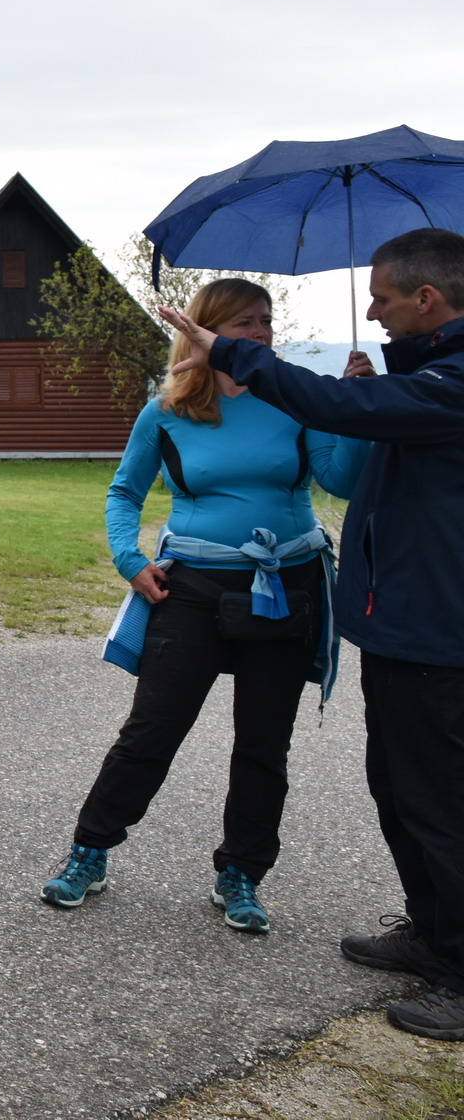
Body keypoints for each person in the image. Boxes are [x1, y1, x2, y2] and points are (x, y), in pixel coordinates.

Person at [161, 229, 464, 1041]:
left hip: (441, 631)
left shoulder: (454, 381)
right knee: (401, 790)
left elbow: (333, 414)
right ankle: (434, 933)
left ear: (427, 299)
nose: (374, 310)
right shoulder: (430, 378)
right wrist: (377, 393)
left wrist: (232, 350)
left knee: (442, 801)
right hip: (404, 627)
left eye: (384, 298)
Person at [40, 279, 368, 933]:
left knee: (264, 743)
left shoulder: (296, 398)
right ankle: (90, 851)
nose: (262, 333)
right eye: (246, 322)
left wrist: (354, 407)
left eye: (266, 321)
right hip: (191, 589)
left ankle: (241, 873)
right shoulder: (166, 410)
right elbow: (124, 491)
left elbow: (342, 480)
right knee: (151, 731)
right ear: (207, 328)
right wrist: (130, 560)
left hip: (286, 585)